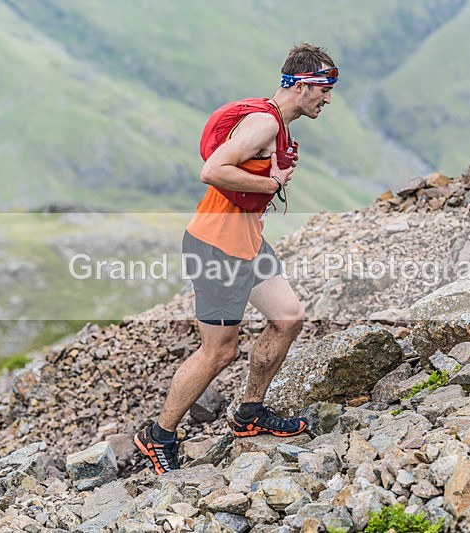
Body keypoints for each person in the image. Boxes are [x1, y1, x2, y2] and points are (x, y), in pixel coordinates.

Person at [134, 43, 339, 474]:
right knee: (218, 352)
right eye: (325, 88)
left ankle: (249, 414)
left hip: (248, 242)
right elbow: (212, 170)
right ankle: (159, 435)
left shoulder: (278, 124)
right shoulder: (264, 123)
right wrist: (273, 183)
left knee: (288, 318)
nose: (328, 98)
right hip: (217, 247)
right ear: (302, 86)